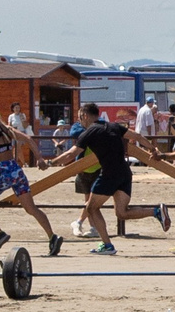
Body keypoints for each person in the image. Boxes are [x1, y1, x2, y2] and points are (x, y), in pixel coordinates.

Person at [49, 101, 165, 254]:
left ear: (84, 116)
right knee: (122, 213)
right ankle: (156, 211)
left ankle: (107, 245)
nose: (79, 121)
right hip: (125, 172)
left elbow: (71, 154)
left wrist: (50, 162)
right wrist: (152, 149)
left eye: (79, 118)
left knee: (90, 207)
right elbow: (136, 136)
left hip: (109, 174)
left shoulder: (89, 132)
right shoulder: (114, 126)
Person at [0, 101, 61, 254]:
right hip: (16, 170)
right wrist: (39, 158)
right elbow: (28, 138)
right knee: (31, 208)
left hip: (3, 172)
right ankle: (52, 236)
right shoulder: (6, 129)